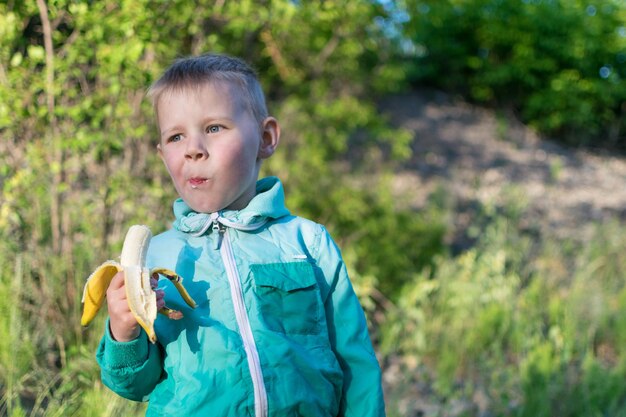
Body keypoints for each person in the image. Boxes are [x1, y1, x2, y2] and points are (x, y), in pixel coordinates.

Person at [96, 53, 385, 417]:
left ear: (265, 138)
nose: (193, 149)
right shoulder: (159, 258)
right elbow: (135, 386)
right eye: (175, 136)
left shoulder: (307, 242)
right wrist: (124, 333)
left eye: (214, 128)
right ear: (162, 155)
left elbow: (355, 362)